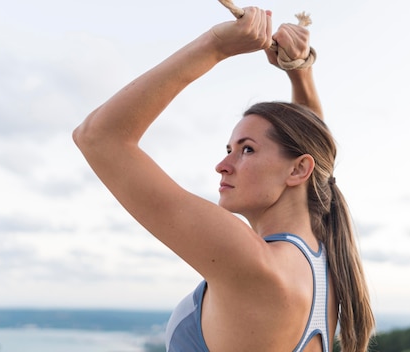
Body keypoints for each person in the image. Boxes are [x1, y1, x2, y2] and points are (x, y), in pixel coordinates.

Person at [73, 6, 374, 352]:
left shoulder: (252, 261)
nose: (222, 165)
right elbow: (315, 156)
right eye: (229, 148)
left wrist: (215, 45)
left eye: (246, 150)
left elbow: (98, 137)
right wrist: (299, 73)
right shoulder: (325, 264)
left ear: (297, 170)